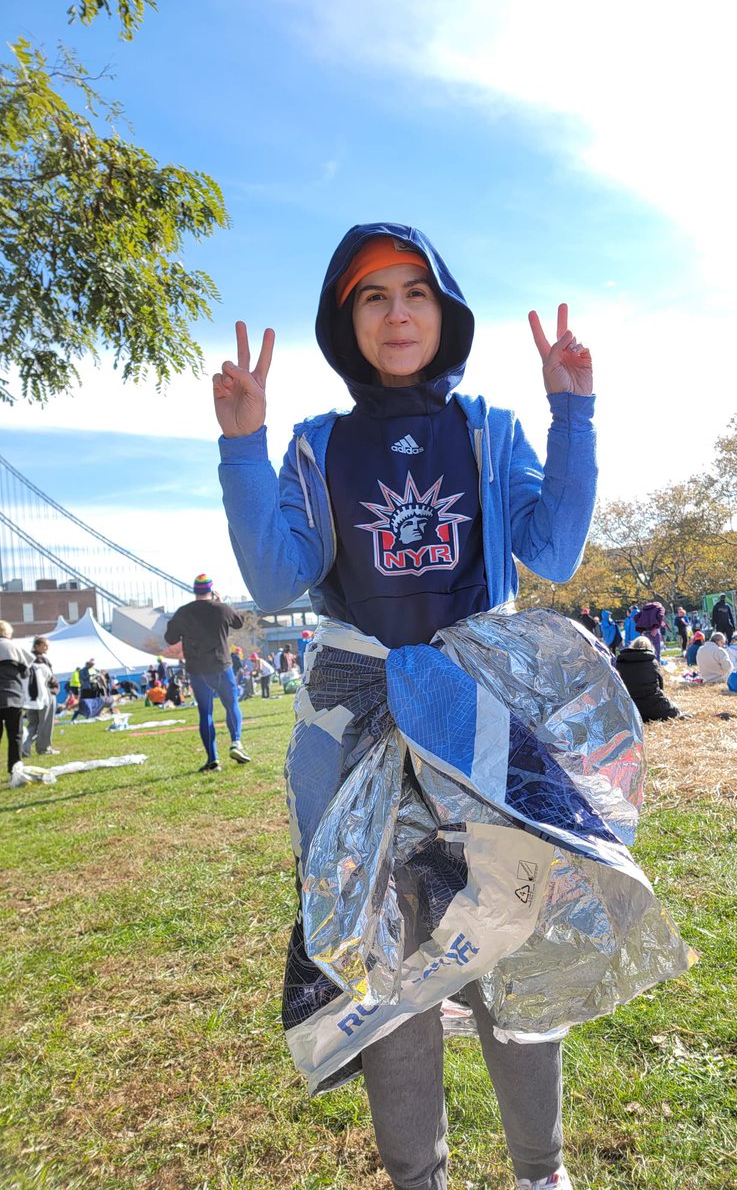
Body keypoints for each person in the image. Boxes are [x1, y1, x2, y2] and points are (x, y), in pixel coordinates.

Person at [214, 222, 598, 1190]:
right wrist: (243, 445)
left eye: (415, 292)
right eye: (373, 296)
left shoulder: (490, 431)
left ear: (445, 309)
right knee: (386, 966)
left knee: (507, 940)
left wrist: (573, 414)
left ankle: (539, 1173)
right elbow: (273, 577)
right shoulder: (314, 444)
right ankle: (414, 1178)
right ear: (347, 323)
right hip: (357, 726)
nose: (397, 313)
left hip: (482, 716)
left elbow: (552, 551)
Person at [164, 574, 250, 772]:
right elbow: (238, 622)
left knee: (206, 713)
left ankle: (212, 760)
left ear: (194, 591)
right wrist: (220, 603)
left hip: (197, 669)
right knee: (231, 705)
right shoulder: (221, 609)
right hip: (221, 666)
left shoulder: (183, 612)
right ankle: (236, 742)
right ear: (211, 591)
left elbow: (170, 638)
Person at [614, 637, 680, 721]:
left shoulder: (620, 663)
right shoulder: (652, 662)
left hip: (630, 710)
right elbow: (660, 686)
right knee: (676, 711)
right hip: (654, 708)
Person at [0, 620, 33, 783]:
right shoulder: (14, 647)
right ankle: (14, 769)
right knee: (15, 736)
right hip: (13, 696)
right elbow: (26, 672)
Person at [23, 637, 60, 756]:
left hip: (30, 698)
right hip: (44, 696)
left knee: (33, 724)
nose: (47, 648)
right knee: (45, 724)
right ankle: (44, 748)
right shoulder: (41, 661)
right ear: (37, 646)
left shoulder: (26, 659)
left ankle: (24, 745)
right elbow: (49, 678)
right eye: (44, 645)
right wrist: (54, 689)